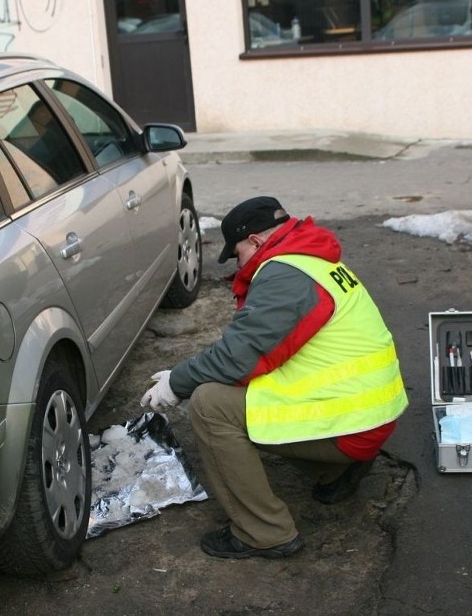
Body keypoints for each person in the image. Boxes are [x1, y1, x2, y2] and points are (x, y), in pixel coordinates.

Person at [140, 196, 408, 560]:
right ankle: (336, 472)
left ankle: (263, 533)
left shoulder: (285, 275)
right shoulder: (312, 261)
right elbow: (259, 352)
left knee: (209, 405)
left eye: (236, 254)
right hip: (367, 411)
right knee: (242, 391)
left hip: (353, 424)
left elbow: (237, 358)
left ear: (254, 241)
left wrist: (177, 382)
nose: (238, 266)